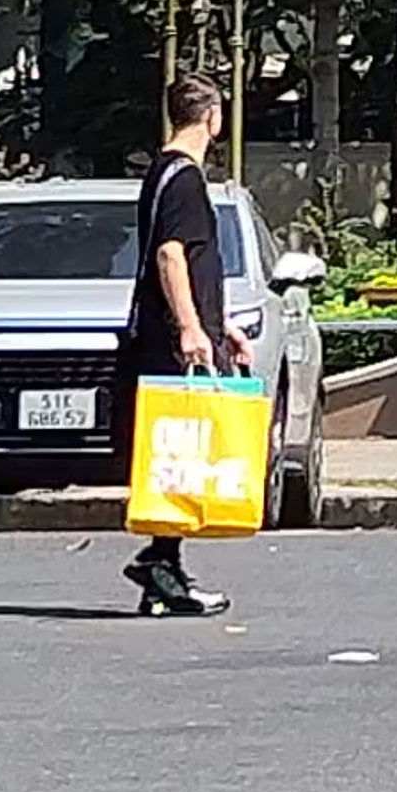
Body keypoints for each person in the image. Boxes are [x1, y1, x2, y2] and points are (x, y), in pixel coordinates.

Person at [115, 70, 238, 616]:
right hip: (173, 339)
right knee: (182, 452)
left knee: (176, 454)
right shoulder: (184, 178)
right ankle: (159, 562)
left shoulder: (161, 173)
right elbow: (171, 255)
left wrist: (222, 322)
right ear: (212, 118)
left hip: (175, 330)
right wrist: (192, 326)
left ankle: (162, 572)